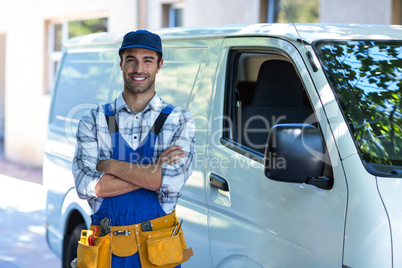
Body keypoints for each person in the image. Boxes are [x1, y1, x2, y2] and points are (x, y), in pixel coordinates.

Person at [72, 30, 196, 267]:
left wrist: (110, 166)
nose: (139, 69)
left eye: (147, 60)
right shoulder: (94, 120)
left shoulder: (179, 120)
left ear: (159, 65)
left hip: (159, 252)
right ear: (121, 63)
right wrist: (155, 170)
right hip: (106, 250)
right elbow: (87, 185)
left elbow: (173, 181)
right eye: (131, 59)